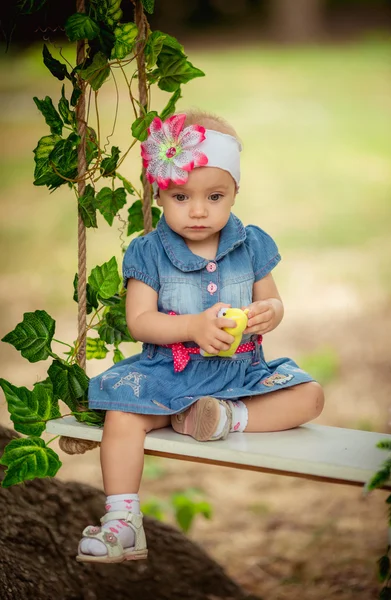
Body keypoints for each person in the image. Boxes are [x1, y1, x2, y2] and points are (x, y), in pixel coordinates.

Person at [76, 110, 324, 564]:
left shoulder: (250, 244)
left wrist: (270, 312)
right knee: (123, 418)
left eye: (214, 196)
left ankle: (222, 418)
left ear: (234, 193)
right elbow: (140, 321)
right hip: (169, 376)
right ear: (160, 192)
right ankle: (123, 519)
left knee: (310, 397)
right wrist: (191, 327)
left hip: (238, 376)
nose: (197, 210)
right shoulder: (149, 251)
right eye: (180, 195)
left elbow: (273, 301)